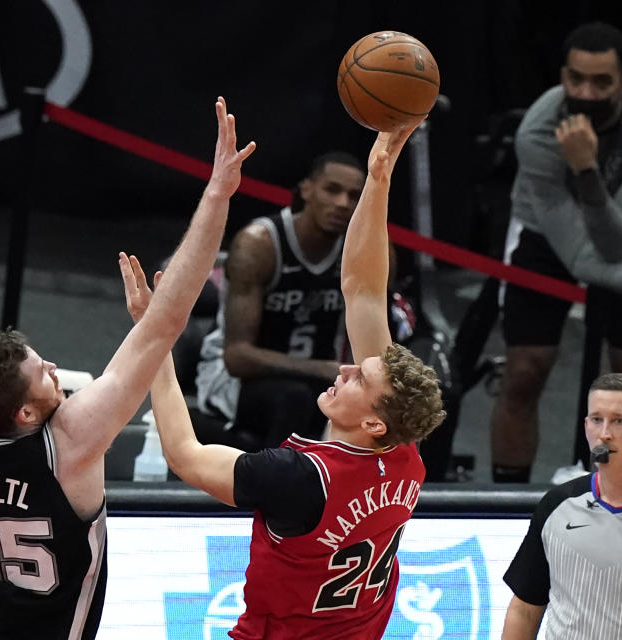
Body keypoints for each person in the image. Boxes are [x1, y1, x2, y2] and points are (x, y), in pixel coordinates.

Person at [0, 97, 255, 639]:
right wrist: (216, 196)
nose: (53, 366)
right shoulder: (69, 445)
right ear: (25, 411)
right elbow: (166, 322)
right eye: (43, 372)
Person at [121, 124, 445, 639]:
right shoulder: (406, 453)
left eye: (360, 376)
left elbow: (183, 454)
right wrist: (379, 177)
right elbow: (363, 288)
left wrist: (154, 338)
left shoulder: (295, 477)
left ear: (372, 421)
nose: (344, 367)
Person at [491, 22, 622, 483]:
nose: (586, 92)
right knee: (524, 369)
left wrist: (586, 171)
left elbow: (615, 243)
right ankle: (507, 500)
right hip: (546, 234)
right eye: (576, 79)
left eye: (601, 82)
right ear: (562, 77)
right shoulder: (538, 132)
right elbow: (579, 256)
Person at [195, 152, 366, 447]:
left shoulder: (362, 252)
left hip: (320, 379)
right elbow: (237, 357)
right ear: (307, 190)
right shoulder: (259, 244)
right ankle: (276, 490)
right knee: (295, 398)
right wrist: (323, 369)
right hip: (232, 382)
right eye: (332, 190)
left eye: (353, 196)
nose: (342, 203)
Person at [501, 373, 622, 639]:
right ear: (586, 425)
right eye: (597, 420)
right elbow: (525, 609)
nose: (605, 434)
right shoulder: (557, 506)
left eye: (619, 421)